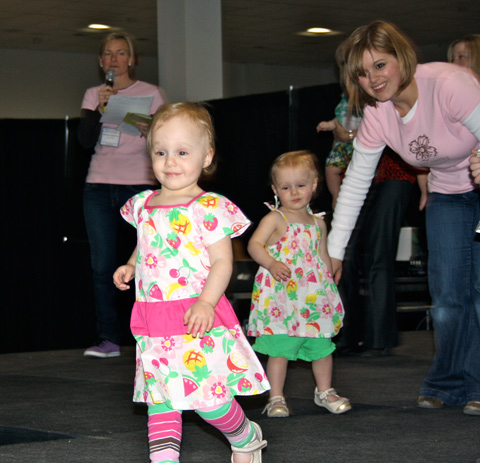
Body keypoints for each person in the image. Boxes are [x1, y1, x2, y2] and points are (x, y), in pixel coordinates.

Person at [327, 20, 480, 415]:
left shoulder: (449, 84)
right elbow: (356, 182)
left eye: (380, 65)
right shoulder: (378, 115)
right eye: (362, 72)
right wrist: (334, 252)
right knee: (447, 297)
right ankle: (449, 383)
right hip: (449, 194)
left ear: (402, 57)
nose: (373, 79)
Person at [113, 102, 270, 463]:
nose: (170, 162)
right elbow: (148, 244)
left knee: (208, 402)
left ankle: (245, 436)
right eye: (161, 152)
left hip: (195, 318)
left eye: (182, 152)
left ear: (207, 156)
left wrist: (206, 302)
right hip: (154, 321)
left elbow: (221, 262)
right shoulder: (144, 205)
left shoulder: (208, 206)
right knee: (162, 400)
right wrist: (132, 265)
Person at [78, 31, 167, 358]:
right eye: (108, 54)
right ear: (102, 62)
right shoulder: (93, 94)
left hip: (139, 186)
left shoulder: (152, 93)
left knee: (148, 262)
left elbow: (167, 142)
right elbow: (85, 141)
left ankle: (153, 332)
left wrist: (151, 130)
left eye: (120, 53)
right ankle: (109, 340)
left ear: (131, 59)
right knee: (103, 266)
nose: (114, 59)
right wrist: (100, 109)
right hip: (99, 186)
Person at [247, 150, 351, 417]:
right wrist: (271, 263)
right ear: (275, 190)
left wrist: (328, 286)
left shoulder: (319, 223)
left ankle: (324, 390)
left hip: (312, 299)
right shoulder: (275, 219)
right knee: (279, 349)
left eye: (301, 185)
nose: (294, 192)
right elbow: (254, 245)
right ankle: (276, 396)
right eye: (285, 187)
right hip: (281, 299)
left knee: (322, 347)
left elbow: (322, 256)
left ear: (314, 184)